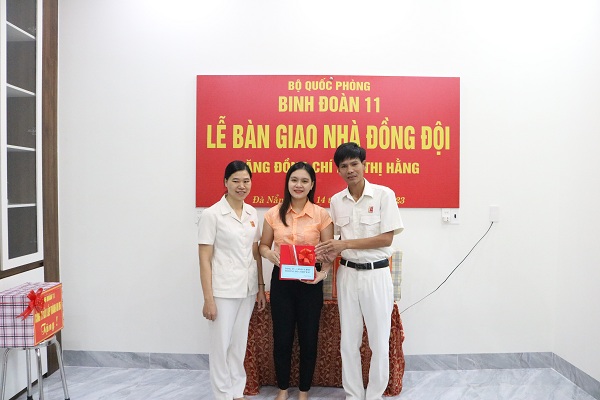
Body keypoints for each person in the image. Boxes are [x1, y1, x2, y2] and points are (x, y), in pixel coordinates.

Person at [315, 142, 404, 400]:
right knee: (349, 341)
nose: (350, 170)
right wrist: (323, 262)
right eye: (344, 166)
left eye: (354, 164)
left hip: (376, 275)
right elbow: (334, 242)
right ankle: (353, 394)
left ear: (364, 165)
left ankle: (374, 394)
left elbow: (386, 238)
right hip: (347, 275)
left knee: (378, 340)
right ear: (338, 170)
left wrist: (345, 244)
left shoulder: (384, 195)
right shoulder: (336, 201)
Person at [259, 162, 334, 400]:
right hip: (282, 282)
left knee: (308, 338)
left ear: (312, 185)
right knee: (282, 337)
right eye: (294, 180)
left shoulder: (322, 215)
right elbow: (263, 245)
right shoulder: (273, 213)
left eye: (304, 181)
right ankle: (282, 388)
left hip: (310, 283)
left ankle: (303, 390)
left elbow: (330, 253)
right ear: (287, 183)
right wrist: (269, 254)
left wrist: (322, 274)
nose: (298, 185)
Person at [198, 160, 266, 400]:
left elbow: (255, 252)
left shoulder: (252, 213)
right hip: (223, 290)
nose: (241, 186)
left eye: (246, 181)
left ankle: (237, 391)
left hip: (247, 289)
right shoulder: (212, 214)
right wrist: (208, 299)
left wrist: (260, 287)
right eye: (236, 181)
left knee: (239, 344)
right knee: (220, 346)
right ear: (225, 182)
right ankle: (222, 394)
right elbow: (204, 259)